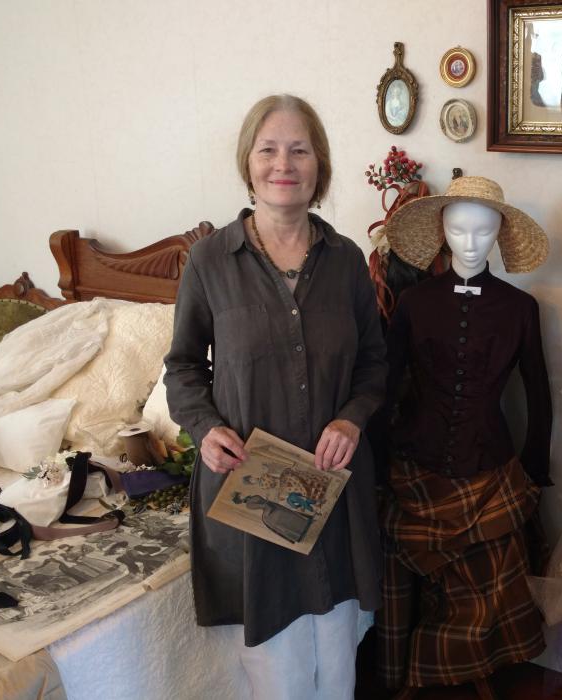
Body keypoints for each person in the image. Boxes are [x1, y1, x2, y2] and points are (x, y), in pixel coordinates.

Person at [164, 94, 387, 700]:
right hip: (252, 499)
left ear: (320, 165)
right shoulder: (210, 261)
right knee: (276, 676)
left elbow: (375, 364)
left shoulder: (346, 262)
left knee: (338, 664)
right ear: (248, 162)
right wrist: (204, 429)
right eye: (268, 149)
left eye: (299, 149)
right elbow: (182, 367)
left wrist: (350, 419)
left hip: (332, 491)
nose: (282, 164)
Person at [377, 176, 552, 695]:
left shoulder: (521, 309)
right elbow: (385, 388)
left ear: (501, 233)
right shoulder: (413, 303)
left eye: (483, 230)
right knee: (405, 568)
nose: (470, 242)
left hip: (490, 470)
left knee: (488, 579)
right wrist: (373, 463)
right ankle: (403, 671)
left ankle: (472, 665)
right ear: (441, 231)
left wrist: (536, 469)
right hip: (414, 469)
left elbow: (539, 396)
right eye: (458, 228)